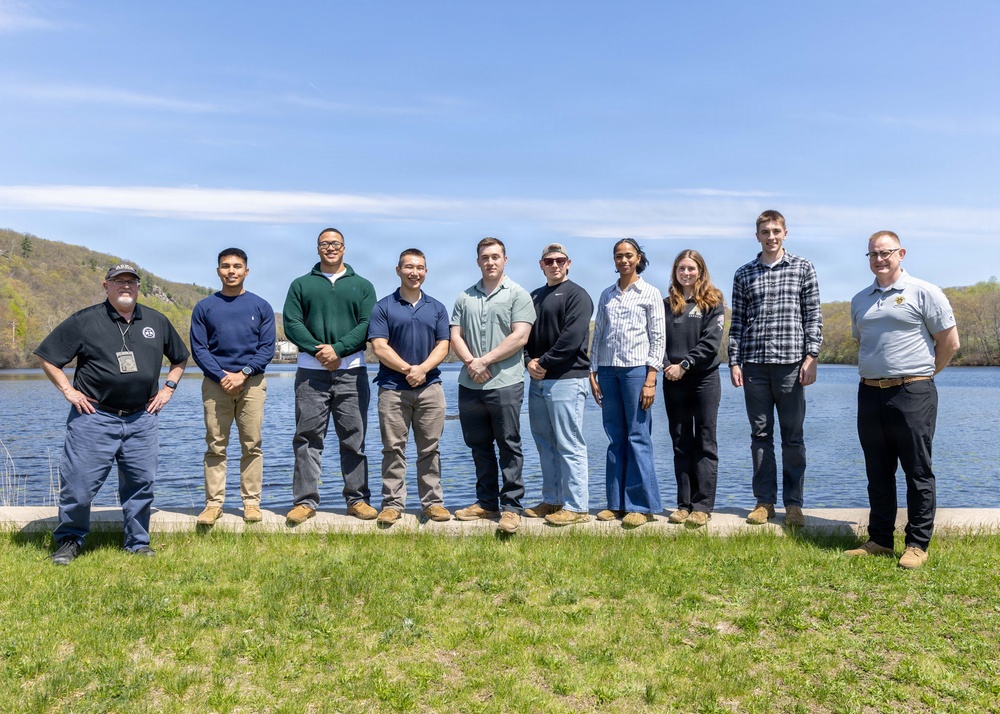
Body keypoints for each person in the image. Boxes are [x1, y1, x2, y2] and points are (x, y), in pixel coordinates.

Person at [34, 263, 189, 564]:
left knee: (141, 484)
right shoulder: (84, 321)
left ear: (138, 286)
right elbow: (47, 357)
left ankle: (137, 542)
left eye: (131, 281)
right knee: (78, 485)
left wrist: (168, 389)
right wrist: (69, 392)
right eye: (119, 281)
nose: (126, 286)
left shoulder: (156, 321)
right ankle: (70, 540)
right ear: (106, 286)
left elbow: (181, 358)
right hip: (94, 417)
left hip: (142, 418)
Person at [845, 231, 959, 569]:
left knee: (917, 470)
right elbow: (863, 343)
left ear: (901, 253)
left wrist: (922, 377)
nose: (879, 260)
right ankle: (880, 539)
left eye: (886, 253)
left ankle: (917, 544)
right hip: (869, 392)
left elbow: (950, 343)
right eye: (873, 255)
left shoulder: (925, 292)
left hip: (913, 392)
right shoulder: (860, 299)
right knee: (877, 470)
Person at [729, 210, 822, 527]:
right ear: (757, 236)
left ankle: (794, 504)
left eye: (776, 231)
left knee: (793, 439)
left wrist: (812, 356)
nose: (771, 236)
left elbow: (813, 316)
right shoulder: (744, 274)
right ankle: (764, 502)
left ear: (785, 233)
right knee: (760, 437)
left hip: (791, 366)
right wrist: (733, 361)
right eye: (765, 231)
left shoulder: (802, 268)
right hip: (754, 365)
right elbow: (737, 324)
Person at [282, 228, 377, 524]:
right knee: (307, 438)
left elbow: (367, 324)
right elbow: (292, 323)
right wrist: (318, 350)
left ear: (344, 248)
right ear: (318, 248)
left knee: (354, 437)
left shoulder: (362, 285)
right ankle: (305, 502)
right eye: (325, 244)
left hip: (352, 373)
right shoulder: (301, 284)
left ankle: (357, 499)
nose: (330, 248)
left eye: (336, 244)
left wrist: (338, 349)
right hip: (311, 374)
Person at [450, 237, 536, 534]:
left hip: (506, 383)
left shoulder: (518, 295)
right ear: (478, 261)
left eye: (495, 256)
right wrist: (472, 363)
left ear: (505, 259)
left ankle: (512, 507)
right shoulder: (464, 297)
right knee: (478, 446)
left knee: (509, 444)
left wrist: (483, 361)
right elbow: (455, 336)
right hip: (470, 385)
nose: (490, 262)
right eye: (485, 257)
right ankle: (486, 502)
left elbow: (520, 337)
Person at [190, 248, 276, 526]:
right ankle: (213, 505)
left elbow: (266, 348)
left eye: (237, 266)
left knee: (252, 445)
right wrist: (222, 376)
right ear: (218, 271)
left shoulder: (261, 306)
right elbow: (199, 349)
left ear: (246, 271)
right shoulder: (205, 307)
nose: (231, 271)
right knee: (216, 446)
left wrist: (243, 374)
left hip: (252, 384)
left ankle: (251, 503)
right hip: (216, 385)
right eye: (225, 266)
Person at [369, 248, 452, 525]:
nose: (414, 272)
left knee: (430, 449)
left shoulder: (437, 308)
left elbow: (444, 345)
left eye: (419, 267)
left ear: (425, 272)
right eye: (408, 267)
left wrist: (423, 369)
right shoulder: (383, 307)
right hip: (392, 388)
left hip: (430, 388)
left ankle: (433, 503)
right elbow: (379, 346)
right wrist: (408, 370)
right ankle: (392, 504)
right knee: (393, 448)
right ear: (398, 270)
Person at [589, 238, 665, 528]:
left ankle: (641, 505)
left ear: (638, 258)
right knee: (615, 437)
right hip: (608, 371)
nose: (623, 260)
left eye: (628, 255)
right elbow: (598, 335)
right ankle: (616, 503)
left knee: (638, 436)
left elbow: (658, 337)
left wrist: (651, 378)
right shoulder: (607, 294)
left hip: (636, 371)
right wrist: (593, 371)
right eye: (618, 256)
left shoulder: (649, 293)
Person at [523, 243, 594, 526]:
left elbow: (572, 338)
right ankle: (552, 500)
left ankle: (577, 508)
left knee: (570, 444)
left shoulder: (578, 295)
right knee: (545, 444)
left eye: (560, 260)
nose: (554, 265)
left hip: (567, 380)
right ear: (541, 265)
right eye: (549, 261)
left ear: (568, 263)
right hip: (538, 381)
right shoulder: (534, 297)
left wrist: (544, 362)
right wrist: (528, 361)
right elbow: (524, 334)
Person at [662, 250, 725, 528]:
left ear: (700, 270)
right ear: (675, 271)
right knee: (680, 441)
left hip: (704, 380)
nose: (686, 273)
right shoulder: (666, 304)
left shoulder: (713, 302)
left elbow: (711, 342)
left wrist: (685, 364)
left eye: (691, 268)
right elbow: (656, 339)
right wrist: (667, 366)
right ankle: (683, 504)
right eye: (681, 268)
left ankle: (702, 506)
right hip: (672, 380)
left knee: (705, 440)